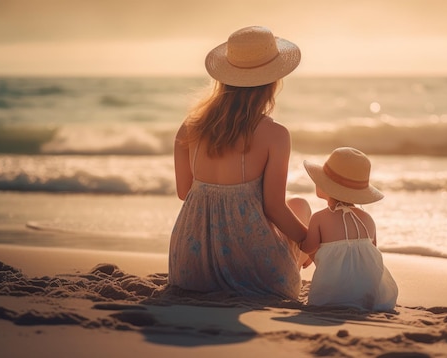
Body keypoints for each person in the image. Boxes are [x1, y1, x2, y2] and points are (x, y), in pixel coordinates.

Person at [168, 26, 311, 299]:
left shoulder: (190, 127)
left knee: (296, 208)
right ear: (272, 82)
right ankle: (297, 262)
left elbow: (184, 192)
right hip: (255, 273)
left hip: (189, 269)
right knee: (301, 207)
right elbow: (274, 208)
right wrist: (311, 243)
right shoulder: (275, 134)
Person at [301, 147, 398, 311]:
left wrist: (307, 252)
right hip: (371, 294)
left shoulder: (319, 218)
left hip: (330, 297)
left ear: (326, 186)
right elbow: (371, 258)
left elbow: (308, 247)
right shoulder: (368, 219)